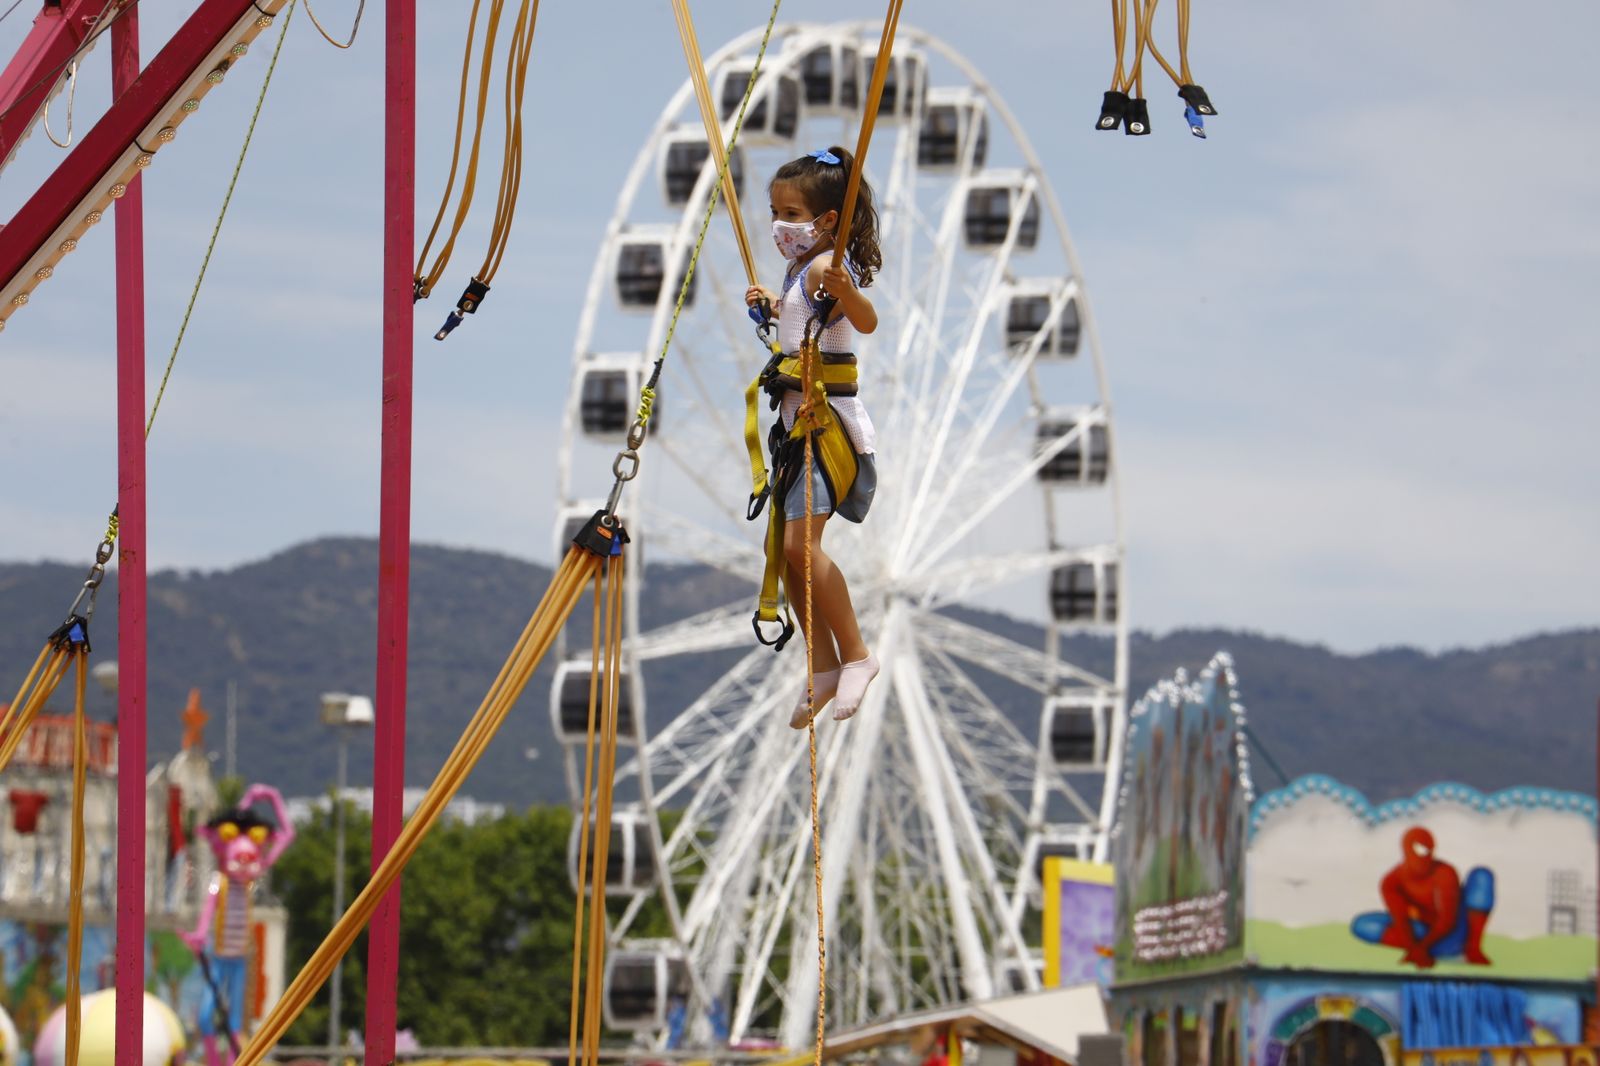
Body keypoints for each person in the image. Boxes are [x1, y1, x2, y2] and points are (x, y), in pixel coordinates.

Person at [744, 146, 882, 728]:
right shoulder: (802, 272)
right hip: (794, 428)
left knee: (802, 548)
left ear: (826, 220)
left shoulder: (826, 268)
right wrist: (775, 308)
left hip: (825, 427)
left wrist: (847, 292)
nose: (780, 224)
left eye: (792, 214)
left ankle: (857, 656)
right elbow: (805, 321)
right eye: (775, 212)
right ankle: (822, 664)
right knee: (785, 551)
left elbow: (864, 320)